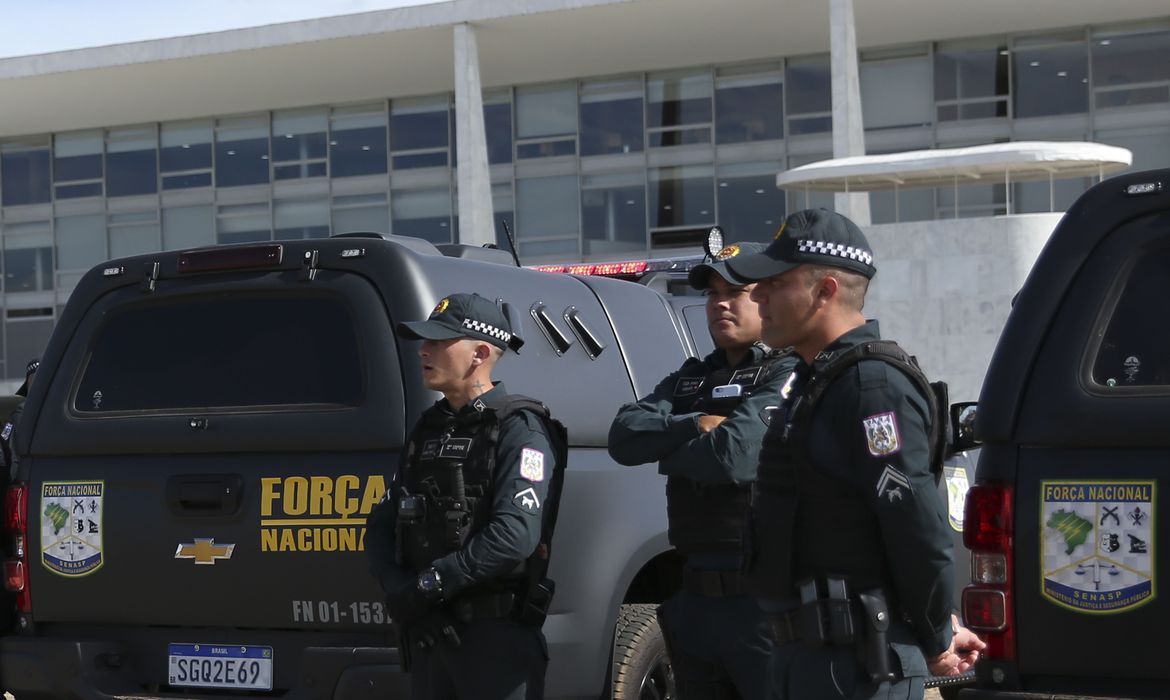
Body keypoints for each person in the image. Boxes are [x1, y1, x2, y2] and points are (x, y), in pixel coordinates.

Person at [723, 208, 986, 700]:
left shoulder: (872, 387)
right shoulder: (818, 379)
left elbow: (915, 526)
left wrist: (936, 636)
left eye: (774, 284)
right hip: (807, 659)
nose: (757, 296)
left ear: (824, 291)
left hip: (857, 665)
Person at [609, 241, 795, 699]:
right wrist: (694, 423)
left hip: (761, 600)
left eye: (736, 291)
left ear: (766, 296)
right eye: (712, 295)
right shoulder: (692, 379)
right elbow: (623, 437)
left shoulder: (788, 369)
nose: (720, 304)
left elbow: (735, 455)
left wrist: (667, 452)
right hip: (694, 595)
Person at [365, 293, 567, 700]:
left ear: (478, 352)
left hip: (495, 643)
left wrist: (433, 584)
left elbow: (514, 536)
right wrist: (405, 594)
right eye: (425, 341)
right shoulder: (429, 428)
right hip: (432, 636)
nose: (424, 350)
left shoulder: (520, 429)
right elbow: (381, 526)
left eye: (439, 341)